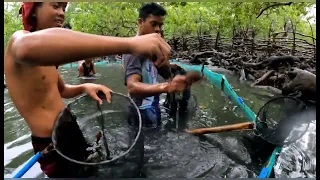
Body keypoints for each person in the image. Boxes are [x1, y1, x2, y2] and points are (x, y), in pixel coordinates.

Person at [4, 2, 171, 178]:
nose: (61, 13)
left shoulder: (48, 60)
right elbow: (25, 48)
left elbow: (62, 90)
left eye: (63, 8)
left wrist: (85, 86)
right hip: (51, 145)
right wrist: (130, 44)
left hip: (70, 131)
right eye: (55, 6)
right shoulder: (19, 40)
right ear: (33, 12)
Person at [123, 3, 191, 128]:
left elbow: (165, 73)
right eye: (153, 24)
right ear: (140, 22)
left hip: (152, 104)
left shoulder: (152, 48)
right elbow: (132, 87)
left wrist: (168, 62)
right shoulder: (133, 50)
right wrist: (166, 87)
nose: (158, 29)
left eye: (160, 25)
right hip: (141, 110)